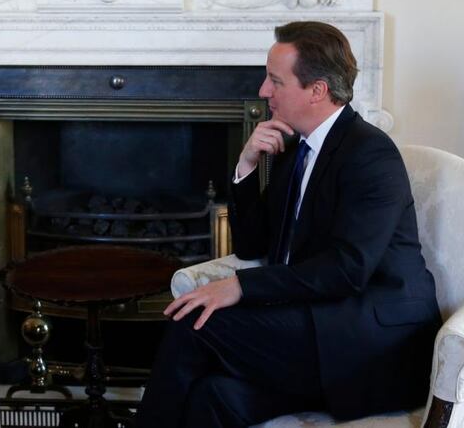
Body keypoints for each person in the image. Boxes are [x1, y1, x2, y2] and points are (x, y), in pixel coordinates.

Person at [136, 21, 441, 427]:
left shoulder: (370, 155)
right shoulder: (295, 148)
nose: (263, 91)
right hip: (314, 325)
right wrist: (246, 166)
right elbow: (252, 245)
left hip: (370, 342)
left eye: (275, 80)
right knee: (214, 396)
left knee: (192, 325)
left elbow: (347, 270)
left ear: (317, 90)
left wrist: (239, 286)